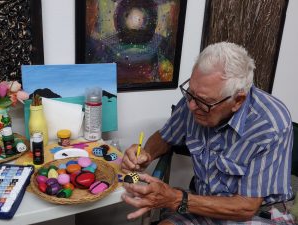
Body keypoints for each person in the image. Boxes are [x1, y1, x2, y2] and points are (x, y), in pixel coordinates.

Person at [120, 42, 294, 225]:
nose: (191, 106)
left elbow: (247, 207)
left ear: (238, 100)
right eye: (190, 93)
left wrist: (176, 199)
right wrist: (145, 153)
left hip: (255, 215)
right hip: (202, 206)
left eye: (205, 102)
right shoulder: (195, 100)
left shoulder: (270, 124)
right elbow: (164, 137)